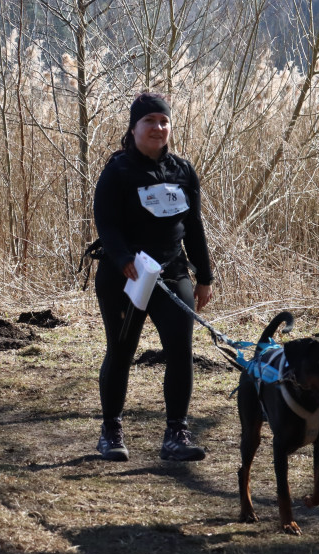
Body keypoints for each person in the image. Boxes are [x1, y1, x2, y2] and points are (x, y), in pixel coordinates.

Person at [92, 92, 214, 462]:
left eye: (164, 121)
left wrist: (205, 274)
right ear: (133, 129)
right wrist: (123, 257)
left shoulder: (182, 170)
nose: (158, 128)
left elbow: (193, 225)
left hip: (172, 273)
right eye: (150, 122)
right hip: (126, 277)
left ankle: (176, 433)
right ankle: (111, 430)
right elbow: (106, 222)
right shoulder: (117, 170)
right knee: (122, 349)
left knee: (181, 350)